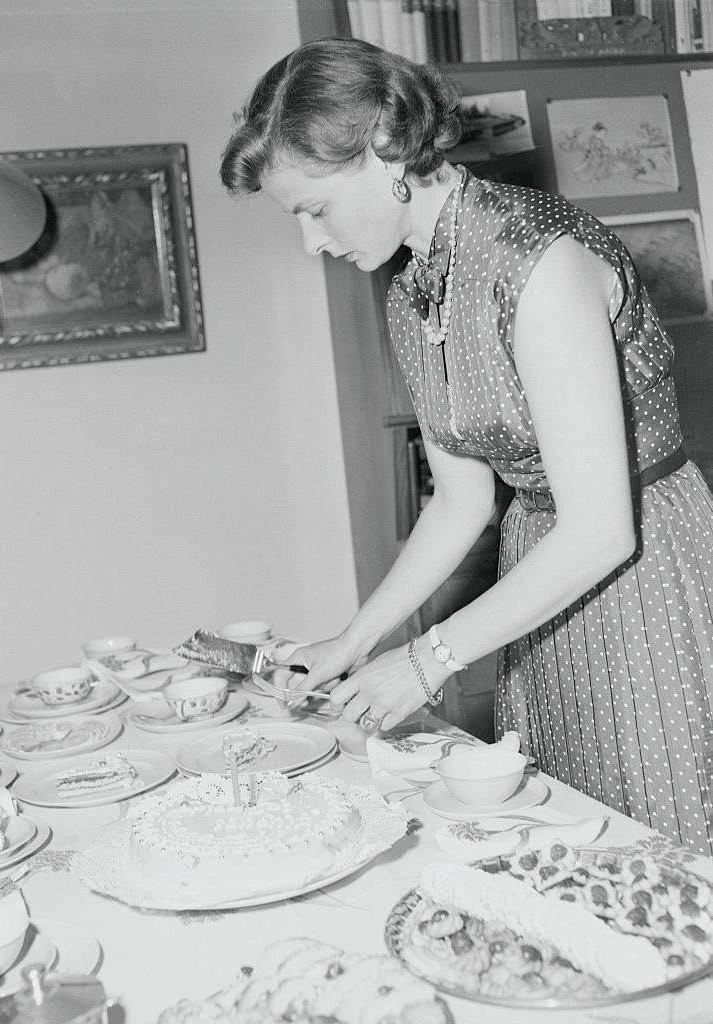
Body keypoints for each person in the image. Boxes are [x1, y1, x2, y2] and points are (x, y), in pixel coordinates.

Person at [219, 39, 713, 855]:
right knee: (569, 834)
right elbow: (462, 499)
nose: (312, 245)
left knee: (659, 833)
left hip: (642, 569)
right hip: (539, 567)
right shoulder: (414, 285)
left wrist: (426, 659)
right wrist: (356, 639)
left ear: (385, 148)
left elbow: (600, 531)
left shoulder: (537, 260)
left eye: (314, 209)